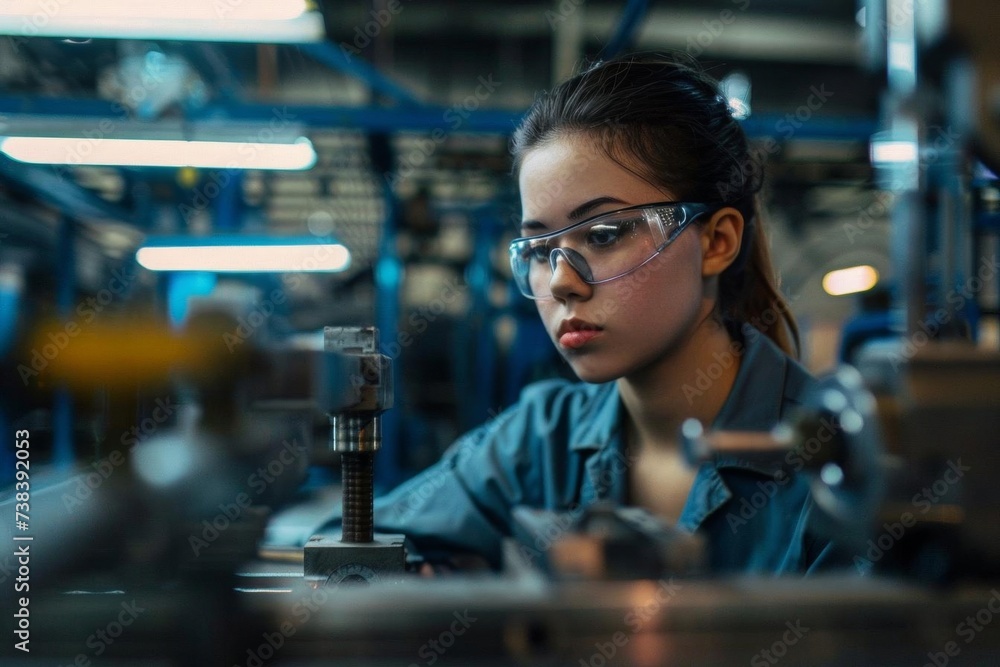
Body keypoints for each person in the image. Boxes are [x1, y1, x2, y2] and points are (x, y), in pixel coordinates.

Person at [307, 52, 847, 575]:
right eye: (539, 250)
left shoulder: (833, 464)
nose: (562, 281)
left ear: (716, 242)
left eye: (605, 233)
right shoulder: (542, 438)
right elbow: (348, 548)